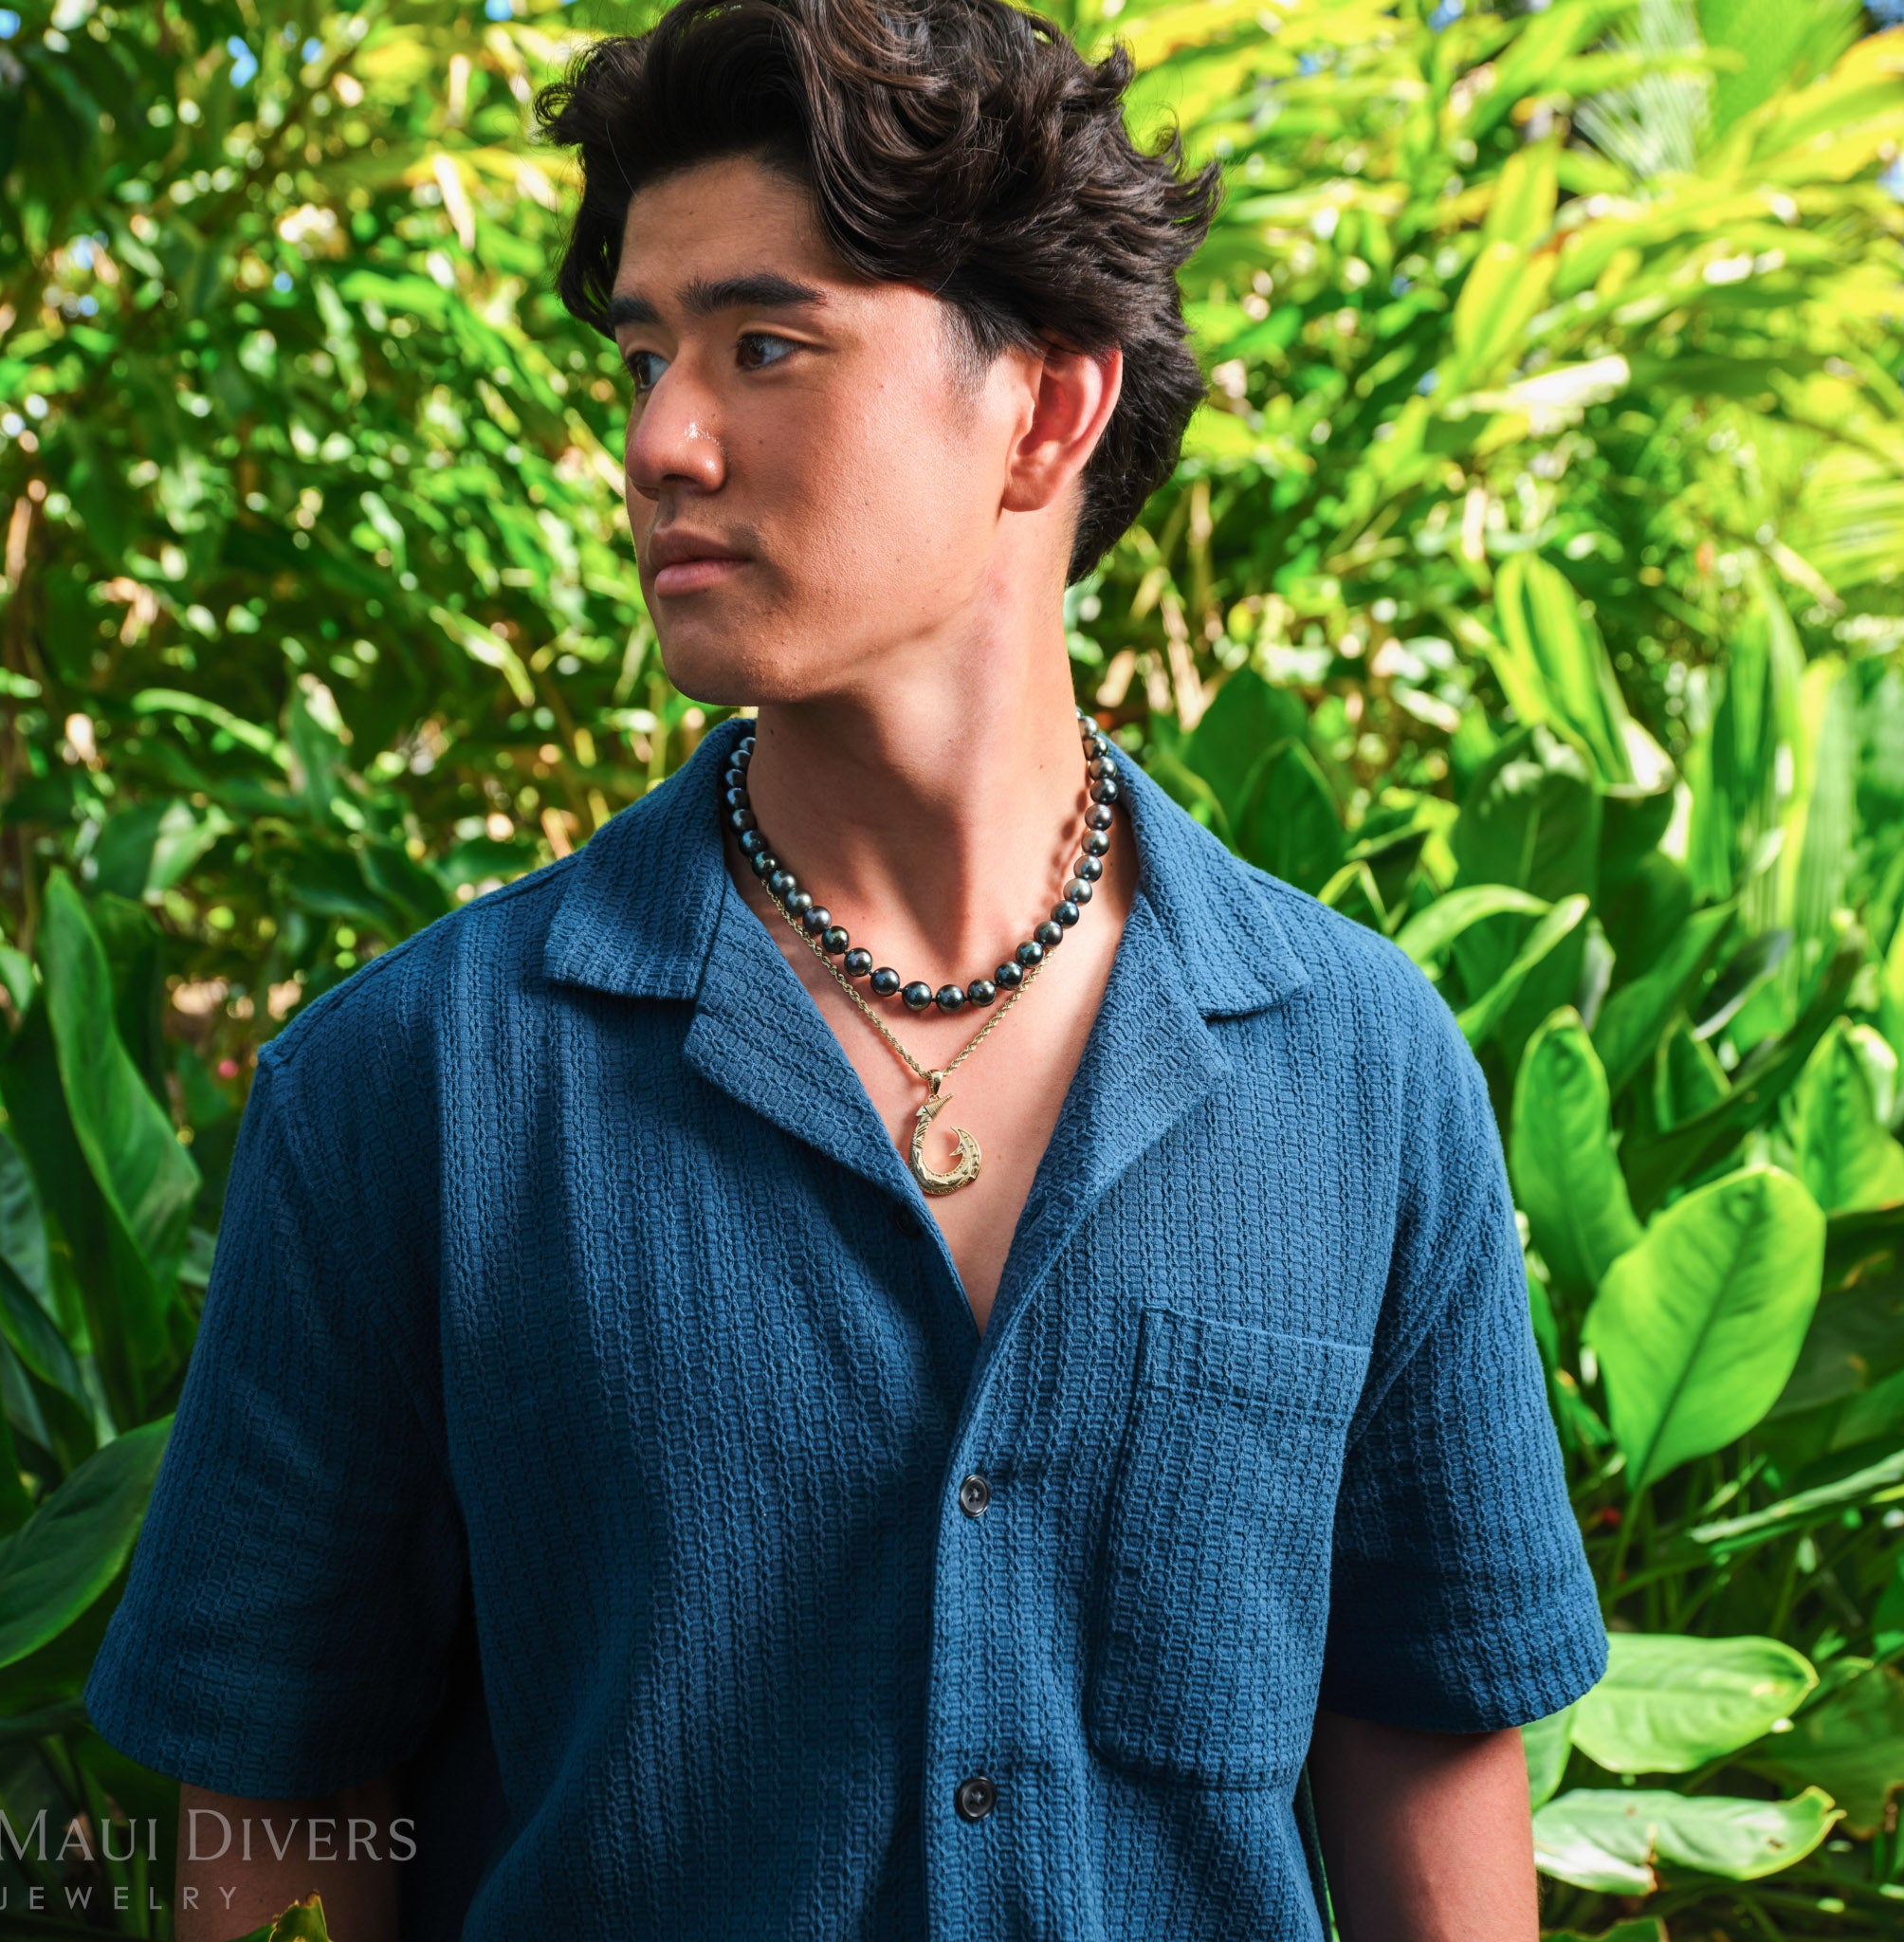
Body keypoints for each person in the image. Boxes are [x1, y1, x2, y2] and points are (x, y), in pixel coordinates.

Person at [83, 0, 1606, 1936]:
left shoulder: (1359, 1068)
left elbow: (1425, 1749)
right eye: (641, 355)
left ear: (1046, 406)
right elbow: (279, 1814)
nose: (658, 440)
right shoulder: (408, 1089)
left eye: (763, 345)